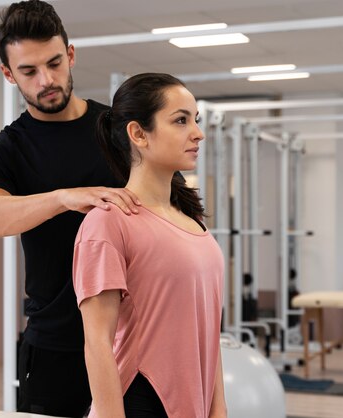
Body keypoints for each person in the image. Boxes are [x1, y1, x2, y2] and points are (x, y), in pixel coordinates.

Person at [0, 1, 140, 416]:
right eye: (29, 71)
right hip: (55, 346)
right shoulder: (3, 152)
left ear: (71, 55)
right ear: (9, 75)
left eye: (55, 62)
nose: (47, 79)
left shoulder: (121, 131)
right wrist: (65, 197)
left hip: (135, 336)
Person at [72, 73, 227, 418]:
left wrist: (218, 408)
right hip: (141, 403)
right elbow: (97, 343)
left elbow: (207, 332)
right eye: (181, 120)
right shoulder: (108, 222)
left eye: (195, 120)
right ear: (139, 133)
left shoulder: (192, 220)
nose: (197, 133)